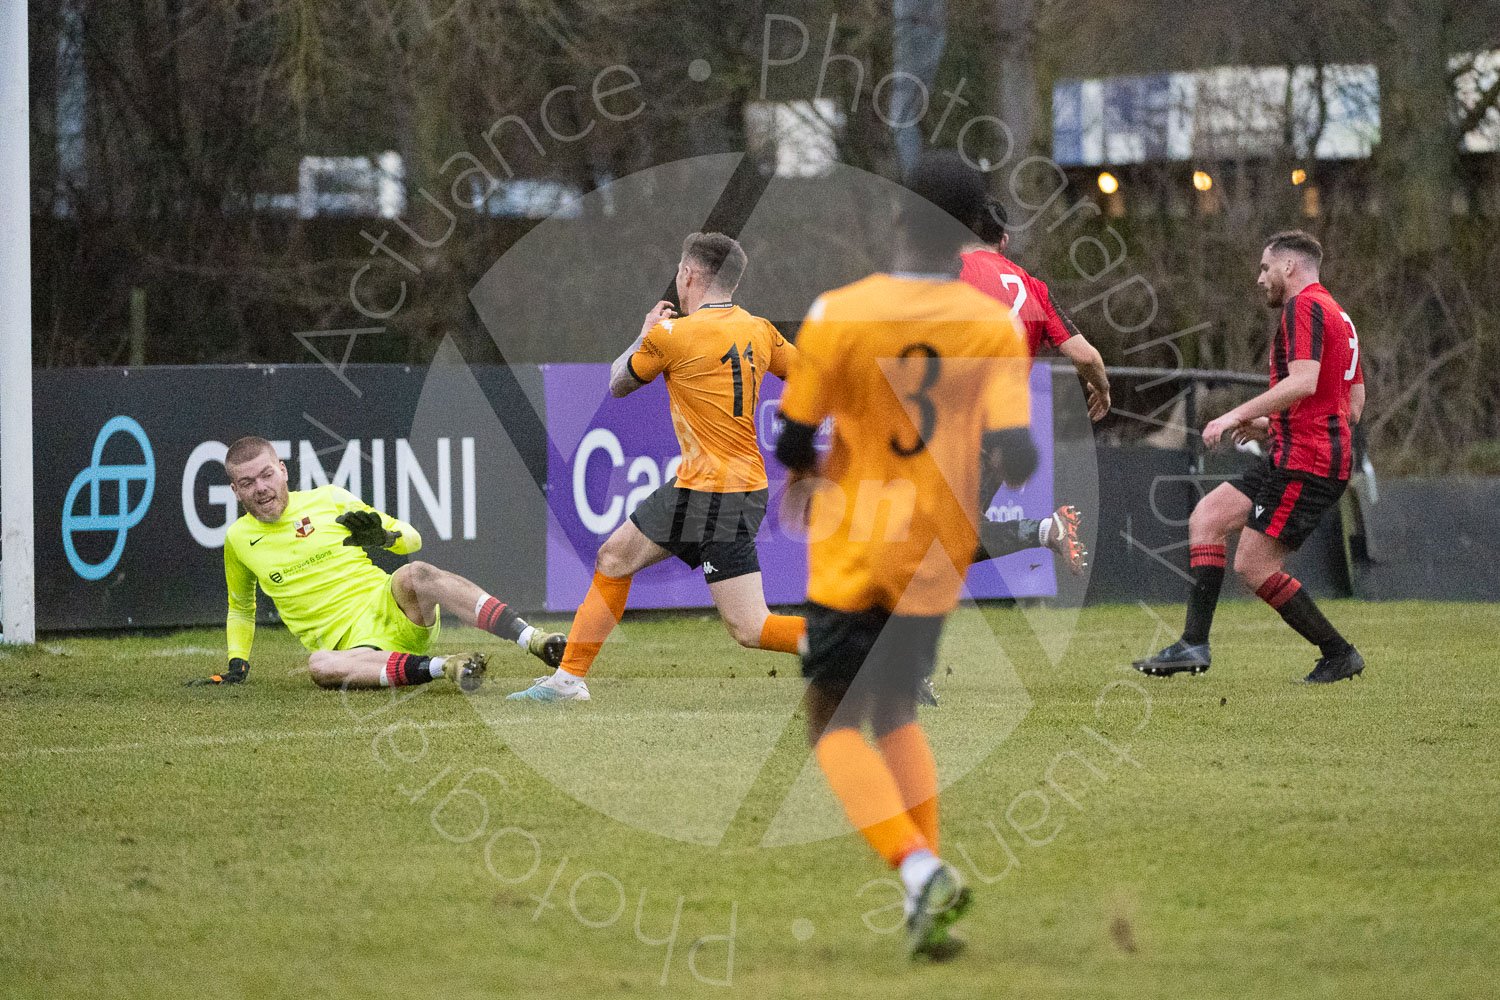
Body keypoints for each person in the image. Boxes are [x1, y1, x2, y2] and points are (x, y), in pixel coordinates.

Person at [774, 151, 1037, 959]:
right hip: (934, 553)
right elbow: (1019, 454)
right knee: (893, 713)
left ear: (896, 217)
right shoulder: (991, 325)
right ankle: (927, 895)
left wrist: (814, 471)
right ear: (968, 239)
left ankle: (920, 869)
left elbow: (789, 437)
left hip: (856, 548)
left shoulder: (839, 312)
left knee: (832, 722)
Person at [508, 233, 806, 703]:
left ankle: (858, 651)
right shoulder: (760, 330)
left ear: (688, 275)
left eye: (680, 274)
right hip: (710, 486)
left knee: (750, 627)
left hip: (716, 494)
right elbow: (807, 372)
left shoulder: (672, 334)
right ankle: (568, 680)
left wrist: (645, 331)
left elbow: (618, 382)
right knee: (615, 557)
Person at [1133, 230, 1366, 684]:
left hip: (1309, 462)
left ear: (1289, 268)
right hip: (1296, 450)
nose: (1260, 278)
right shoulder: (1340, 315)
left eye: (1265, 268)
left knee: (1254, 566)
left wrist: (1233, 414)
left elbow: (1302, 382)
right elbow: (1350, 407)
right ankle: (1192, 645)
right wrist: (1268, 425)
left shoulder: (1305, 307)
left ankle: (1338, 653)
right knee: (1208, 516)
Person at [203, 435, 565, 691]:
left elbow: (413, 538)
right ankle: (446, 667)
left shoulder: (328, 498)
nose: (261, 487)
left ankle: (533, 640)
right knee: (319, 666)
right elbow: (240, 607)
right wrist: (238, 663)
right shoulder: (238, 539)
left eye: (266, 474)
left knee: (416, 573)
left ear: (282, 471)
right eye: (247, 482)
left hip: (394, 609)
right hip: (355, 652)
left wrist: (386, 540)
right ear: (235, 491)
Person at [960, 196, 1105, 574]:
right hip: (1003, 428)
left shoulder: (951, 269)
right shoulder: (1031, 287)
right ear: (1004, 240)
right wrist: (1101, 389)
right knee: (952, 533)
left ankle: (1044, 530)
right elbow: (1086, 356)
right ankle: (1045, 530)